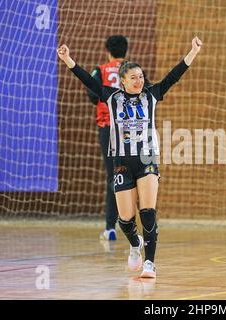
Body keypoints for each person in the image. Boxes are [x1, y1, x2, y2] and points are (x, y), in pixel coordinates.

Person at [57, 37, 202, 278]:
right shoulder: (112, 97)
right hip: (122, 163)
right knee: (125, 218)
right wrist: (67, 59)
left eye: (141, 76)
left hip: (147, 160)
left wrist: (193, 52)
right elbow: (87, 80)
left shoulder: (152, 95)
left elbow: (174, 75)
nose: (139, 81)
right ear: (122, 81)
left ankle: (150, 264)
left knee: (147, 211)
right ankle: (135, 245)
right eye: (133, 77)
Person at [87, 35, 150, 241]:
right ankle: (140, 226)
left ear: (108, 51)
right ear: (126, 50)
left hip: (108, 127)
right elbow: (146, 92)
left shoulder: (101, 70)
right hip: (133, 127)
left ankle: (110, 227)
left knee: (114, 175)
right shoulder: (133, 71)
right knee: (140, 174)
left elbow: (92, 95)